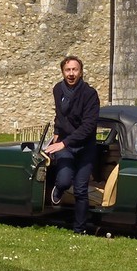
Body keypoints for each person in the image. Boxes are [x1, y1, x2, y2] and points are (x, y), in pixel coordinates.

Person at [43, 55, 101, 233]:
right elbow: (60, 116)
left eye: (74, 70)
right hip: (64, 143)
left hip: (85, 147)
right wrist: (56, 132)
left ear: (81, 72)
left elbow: (88, 126)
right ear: (63, 72)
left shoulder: (89, 94)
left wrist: (64, 143)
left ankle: (80, 229)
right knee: (64, 180)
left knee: (81, 189)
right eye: (67, 70)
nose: (71, 73)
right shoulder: (57, 90)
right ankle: (58, 191)